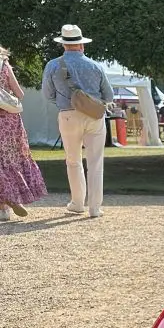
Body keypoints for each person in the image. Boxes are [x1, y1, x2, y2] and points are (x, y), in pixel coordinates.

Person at [41, 24, 114, 217]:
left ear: (64, 45)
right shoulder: (96, 65)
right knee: (96, 162)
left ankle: (77, 202)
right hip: (94, 116)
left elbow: (48, 95)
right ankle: (95, 208)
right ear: (81, 45)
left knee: (73, 161)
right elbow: (109, 95)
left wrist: (65, 102)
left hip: (68, 115)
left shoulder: (53, 65)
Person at [0, 45, 48, 220]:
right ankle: (8, 202)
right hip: (10, 121)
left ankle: (3, 207)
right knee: (9, 159)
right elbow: (19, 93)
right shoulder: (4, 65)